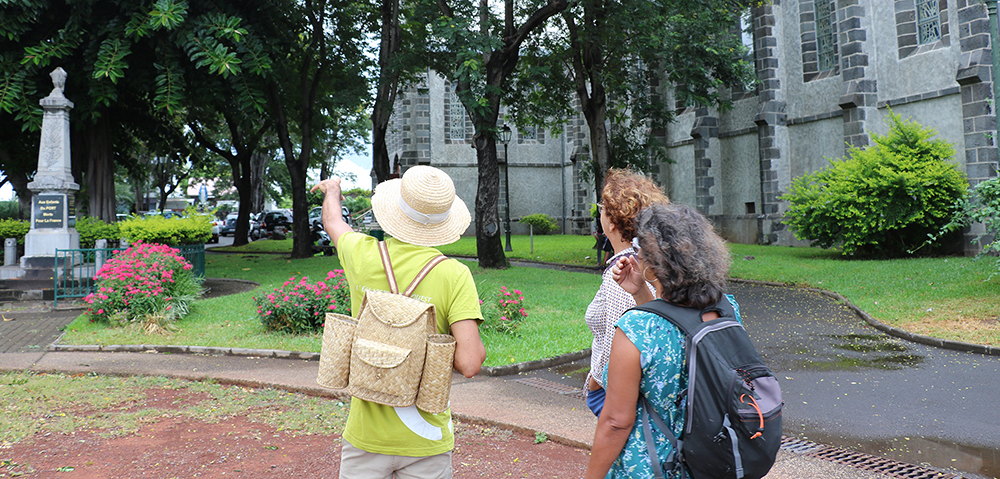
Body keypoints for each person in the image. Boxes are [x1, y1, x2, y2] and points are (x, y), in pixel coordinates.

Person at [311, 165, 487, 479]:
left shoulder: (362, 255)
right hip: (426, 439)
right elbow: (470, 363)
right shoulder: (454, 275)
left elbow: (332, 221)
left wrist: (333, 189)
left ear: (393, 212)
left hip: (366, 439)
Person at [583, 203, 735, 479]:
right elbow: (678, 326)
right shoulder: (727, 310)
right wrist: (641, 291)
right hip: (715, 462)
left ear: (653, 268)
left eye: (641, 247)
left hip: (654, 466)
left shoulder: (636, 329)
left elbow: (616, 422)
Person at [584, 169, 669, 417]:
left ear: (611, 222)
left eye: (602, 207)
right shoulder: (648, 264)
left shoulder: (621, 274)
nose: (598, 212)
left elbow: (621, 345)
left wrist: (595, 384)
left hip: (618, 395)